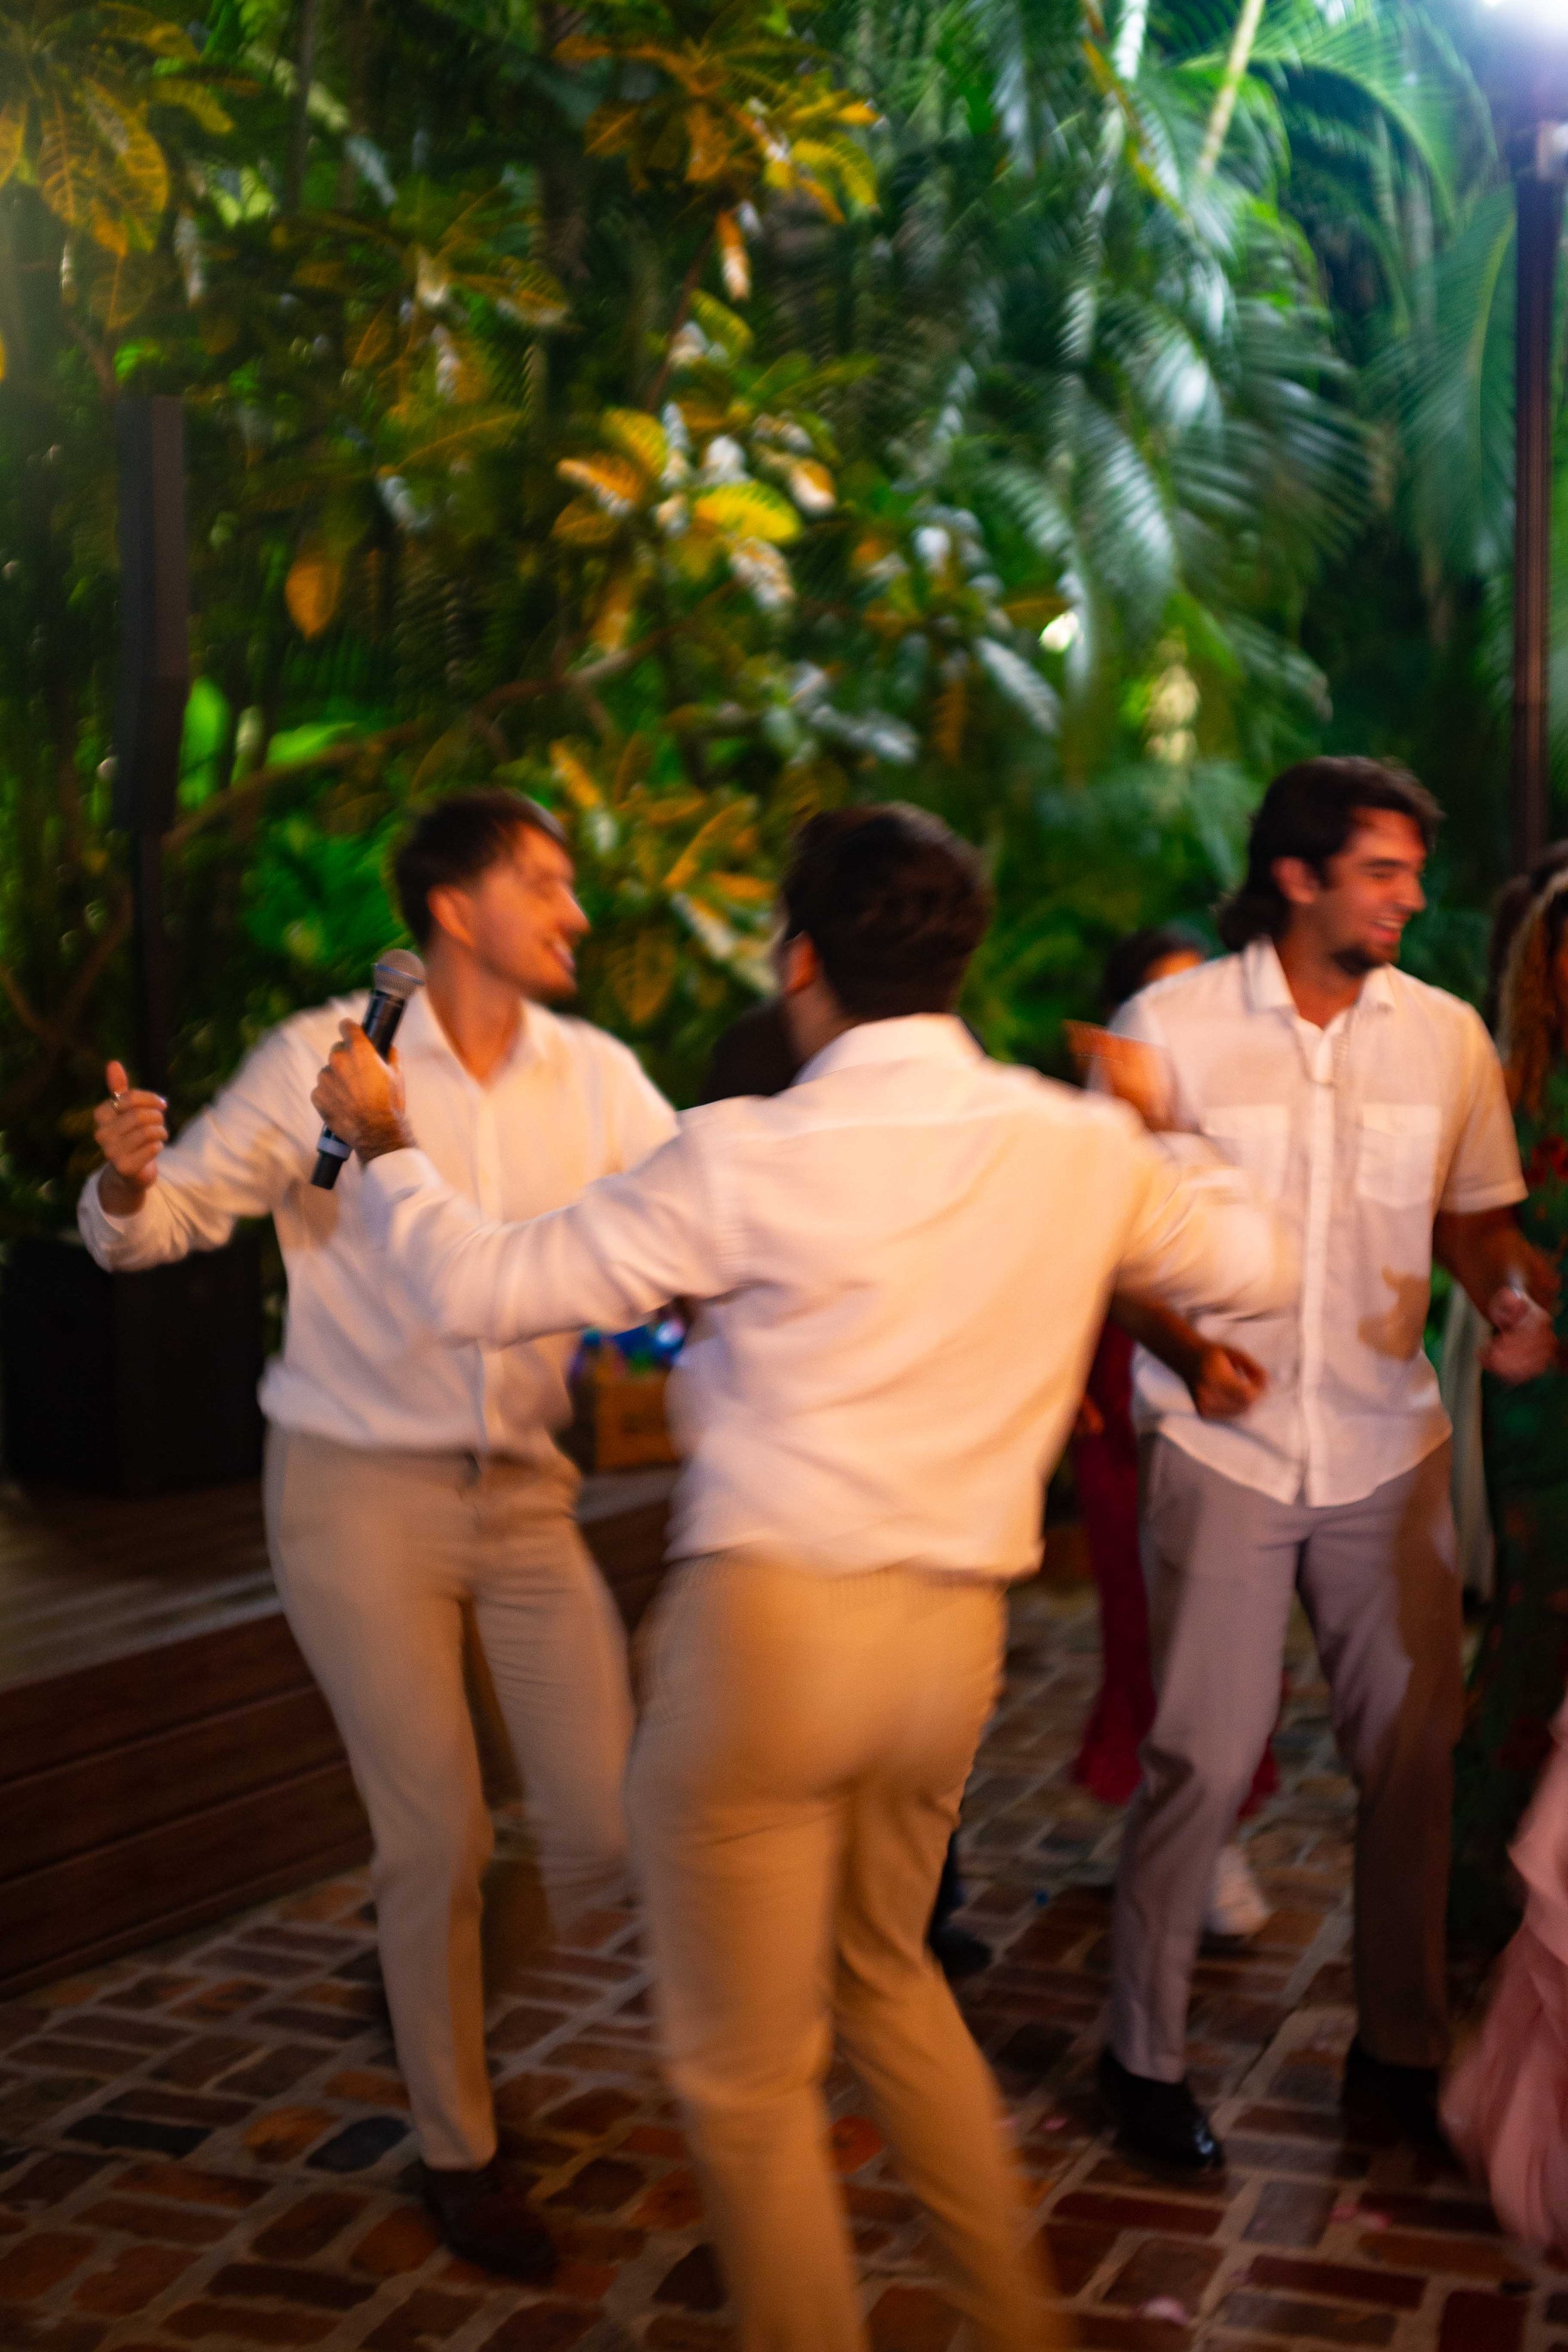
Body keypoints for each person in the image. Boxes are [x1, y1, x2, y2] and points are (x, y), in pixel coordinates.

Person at [312, 802, 1296, 2352]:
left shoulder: (749, 1150)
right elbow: (1264, 1261)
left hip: (766, 1639)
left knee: (748, 2078)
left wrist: (387, 1147)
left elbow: (480, 1290)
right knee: (888, 1982)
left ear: (799, 963)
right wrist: (1155, 1118)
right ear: (960, 956)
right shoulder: (1074, 1147)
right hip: (946, 1657)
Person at [77, 790, 676, 2279]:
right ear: (454, 912)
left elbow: (691, 1224)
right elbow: (159, 1228)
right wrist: (122, 1179)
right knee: (436, 1836)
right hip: (353, 1494)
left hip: (528, 1495)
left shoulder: (598, 1077)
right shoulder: (322, 1059)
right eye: (545, 885)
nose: (575, 912)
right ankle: (460, 2147)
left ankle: (433, 1977)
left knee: (602, 1823)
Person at [1088, 755, 1555, 2179]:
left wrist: (1505, 1294)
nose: (1412, 899)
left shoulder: (1448, 1039)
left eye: (1413, 874)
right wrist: (1180, 1341)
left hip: (1381, 1445)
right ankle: (1141, 2058)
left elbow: (1477, 1219)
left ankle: (1394, 2054)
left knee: (1409, 1766)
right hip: (1219, 1450)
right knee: (1199, 1759)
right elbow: (1100, 1238)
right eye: (1382, 873)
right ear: (1296, 878)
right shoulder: (1165, 1026)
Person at [1070, 926, 1278, 1947]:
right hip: (1119, 1382)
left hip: (1242, 1377)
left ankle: (1218, 1822)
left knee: (1234, 1617)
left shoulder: (1246, 1099)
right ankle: (1169, 1822)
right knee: (1141, 1612)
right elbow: (1069, 1251)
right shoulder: (1092, 1126)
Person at [1450, 869, 1568, 1953]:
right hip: (1542, 1388)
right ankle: (1479, 1867)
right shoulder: (1506, 1084)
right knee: (1536, 1622)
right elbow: (1470, 1229)